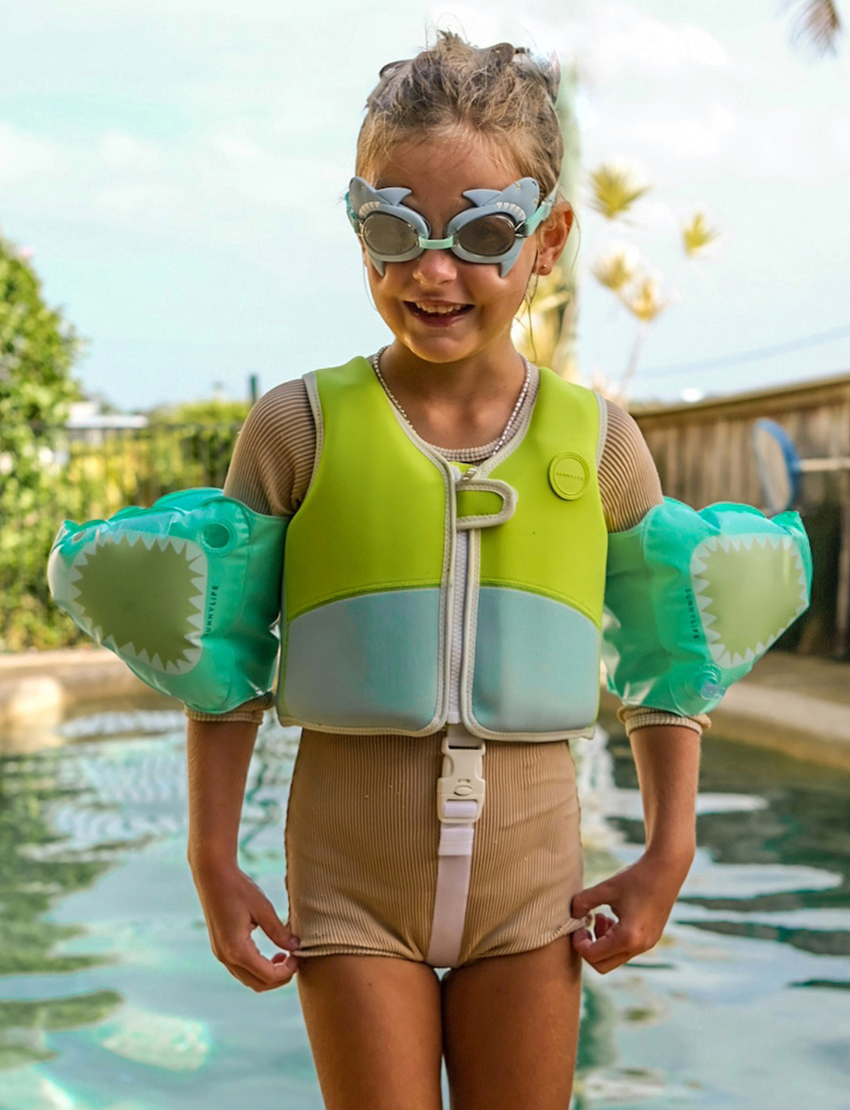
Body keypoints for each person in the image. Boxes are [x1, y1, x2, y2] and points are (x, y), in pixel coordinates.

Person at [185, 34, 704, 1110]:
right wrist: (212, 858)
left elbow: (672, 652)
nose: (431, 268)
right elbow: (220, 661)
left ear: (548, 237)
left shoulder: (597, 441)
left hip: (530, 897)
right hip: (352, 891)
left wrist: (667, 852)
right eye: (390, 226)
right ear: (355, 223)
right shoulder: (296, 428)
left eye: (481, 232)